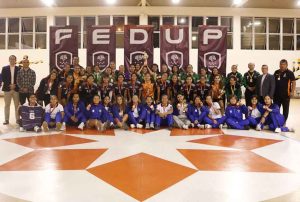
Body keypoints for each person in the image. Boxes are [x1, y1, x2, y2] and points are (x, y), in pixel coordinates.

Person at [1, 55, 20, 125]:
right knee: (7, 105)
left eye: (13, 59)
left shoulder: (19, 68)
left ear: (15, 60)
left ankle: (18, 119)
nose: (12, 60)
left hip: (16, 89)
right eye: (11, 59)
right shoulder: (4, 68)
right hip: (7, 89)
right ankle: (6, 120)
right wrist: (10, 85)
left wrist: (15, 85)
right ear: (9, 60)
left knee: (17, 105)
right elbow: (3, 78)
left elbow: (20, 79)